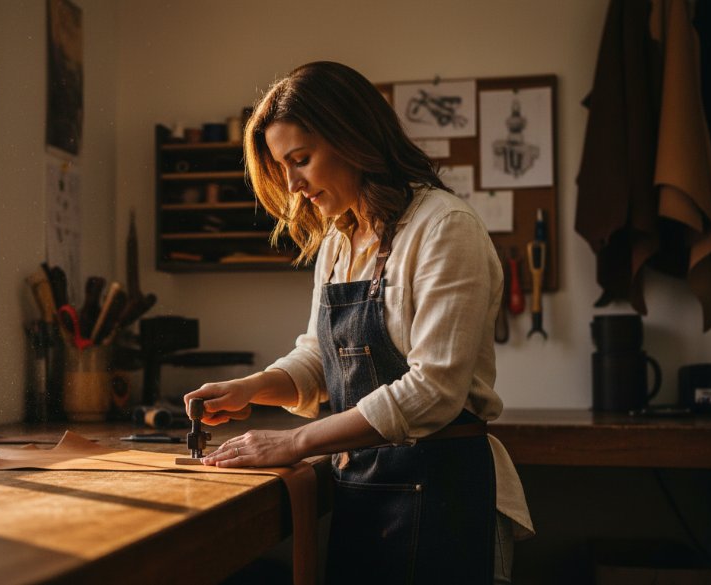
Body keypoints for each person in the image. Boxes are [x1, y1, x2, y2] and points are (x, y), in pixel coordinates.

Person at [182, 61, 533, 584]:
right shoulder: (338, 242)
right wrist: (252, 388)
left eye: (301, 160)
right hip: (364, 490)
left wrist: (295, 442)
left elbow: (434, 391)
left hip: (447, 495)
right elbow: (320, 357)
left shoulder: (444, 227)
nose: (293, 185)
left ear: (354, 139)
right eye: (282, 168)